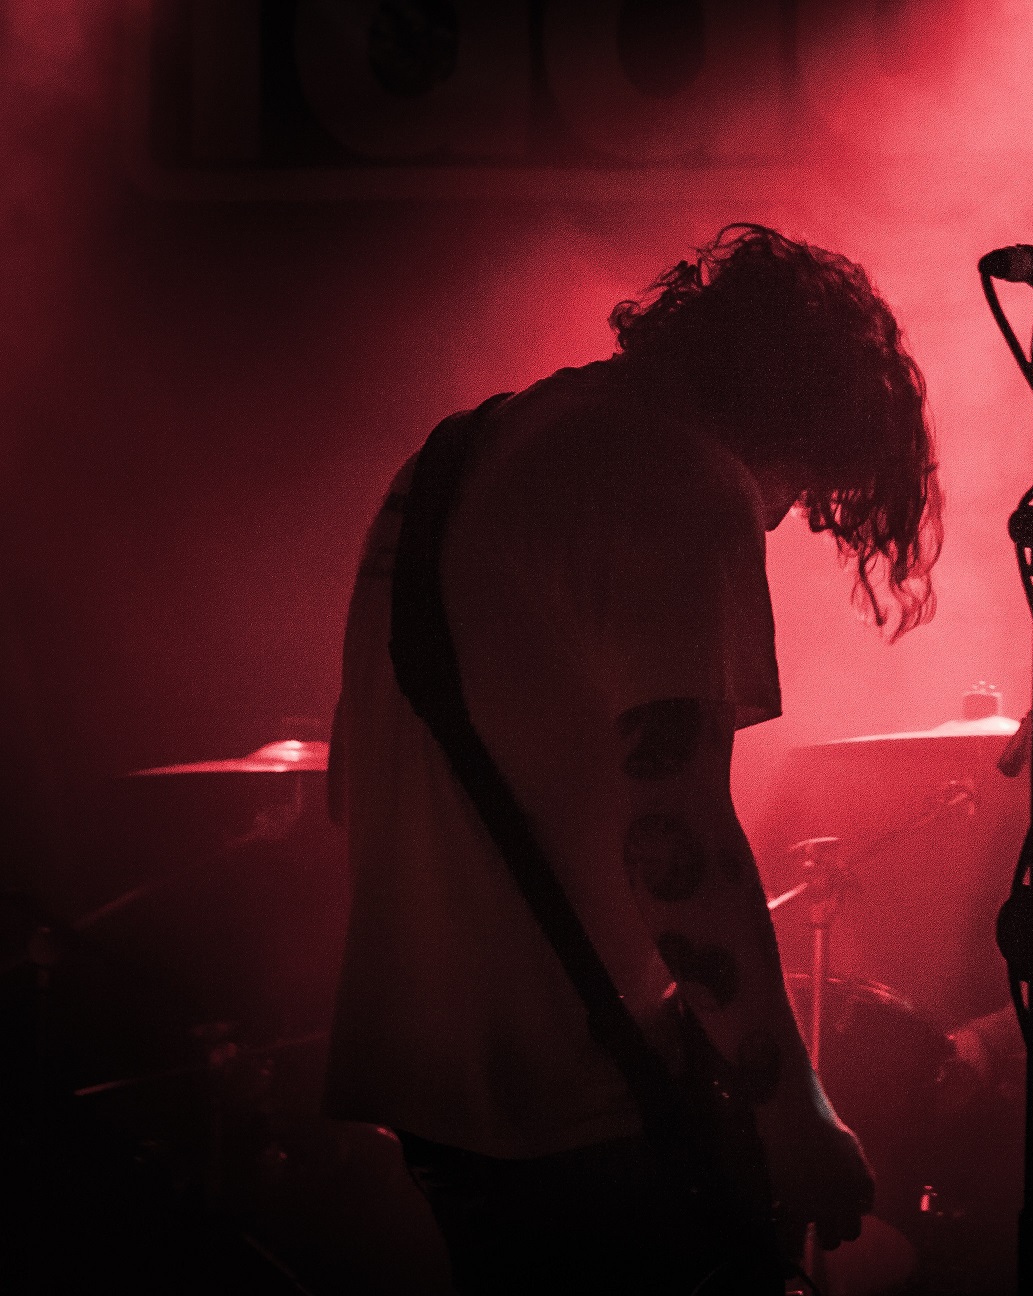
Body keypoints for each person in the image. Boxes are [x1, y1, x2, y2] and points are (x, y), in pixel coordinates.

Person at [324, 225, 940, 1293]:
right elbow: (677, 839)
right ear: (801, 409)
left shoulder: (456, 454)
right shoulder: (678, 479)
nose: (790, 515)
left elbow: (353, 785)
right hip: (570, 1107)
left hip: (425, 1084)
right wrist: (791, 1110)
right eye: (811, 480)